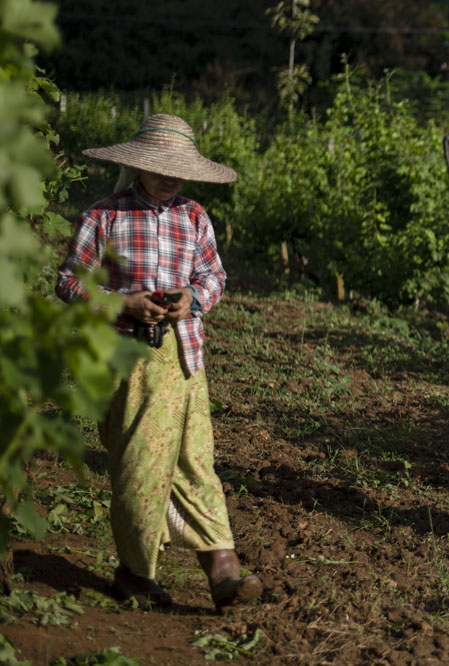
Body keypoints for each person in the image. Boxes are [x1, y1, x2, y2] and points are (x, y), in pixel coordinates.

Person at [56, 114, 263, 610]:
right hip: (127, 360)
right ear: (136, 166)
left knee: (196, 462)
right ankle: (134, 573)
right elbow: (68, 283)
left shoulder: (194, 216)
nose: (170, 176)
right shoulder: (103, 217)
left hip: (186, 357)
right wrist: (124, 303)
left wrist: (191, 297)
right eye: (160, 167)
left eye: (178, 168)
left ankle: (224, 571)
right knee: (140, 466)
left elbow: (214, 276)